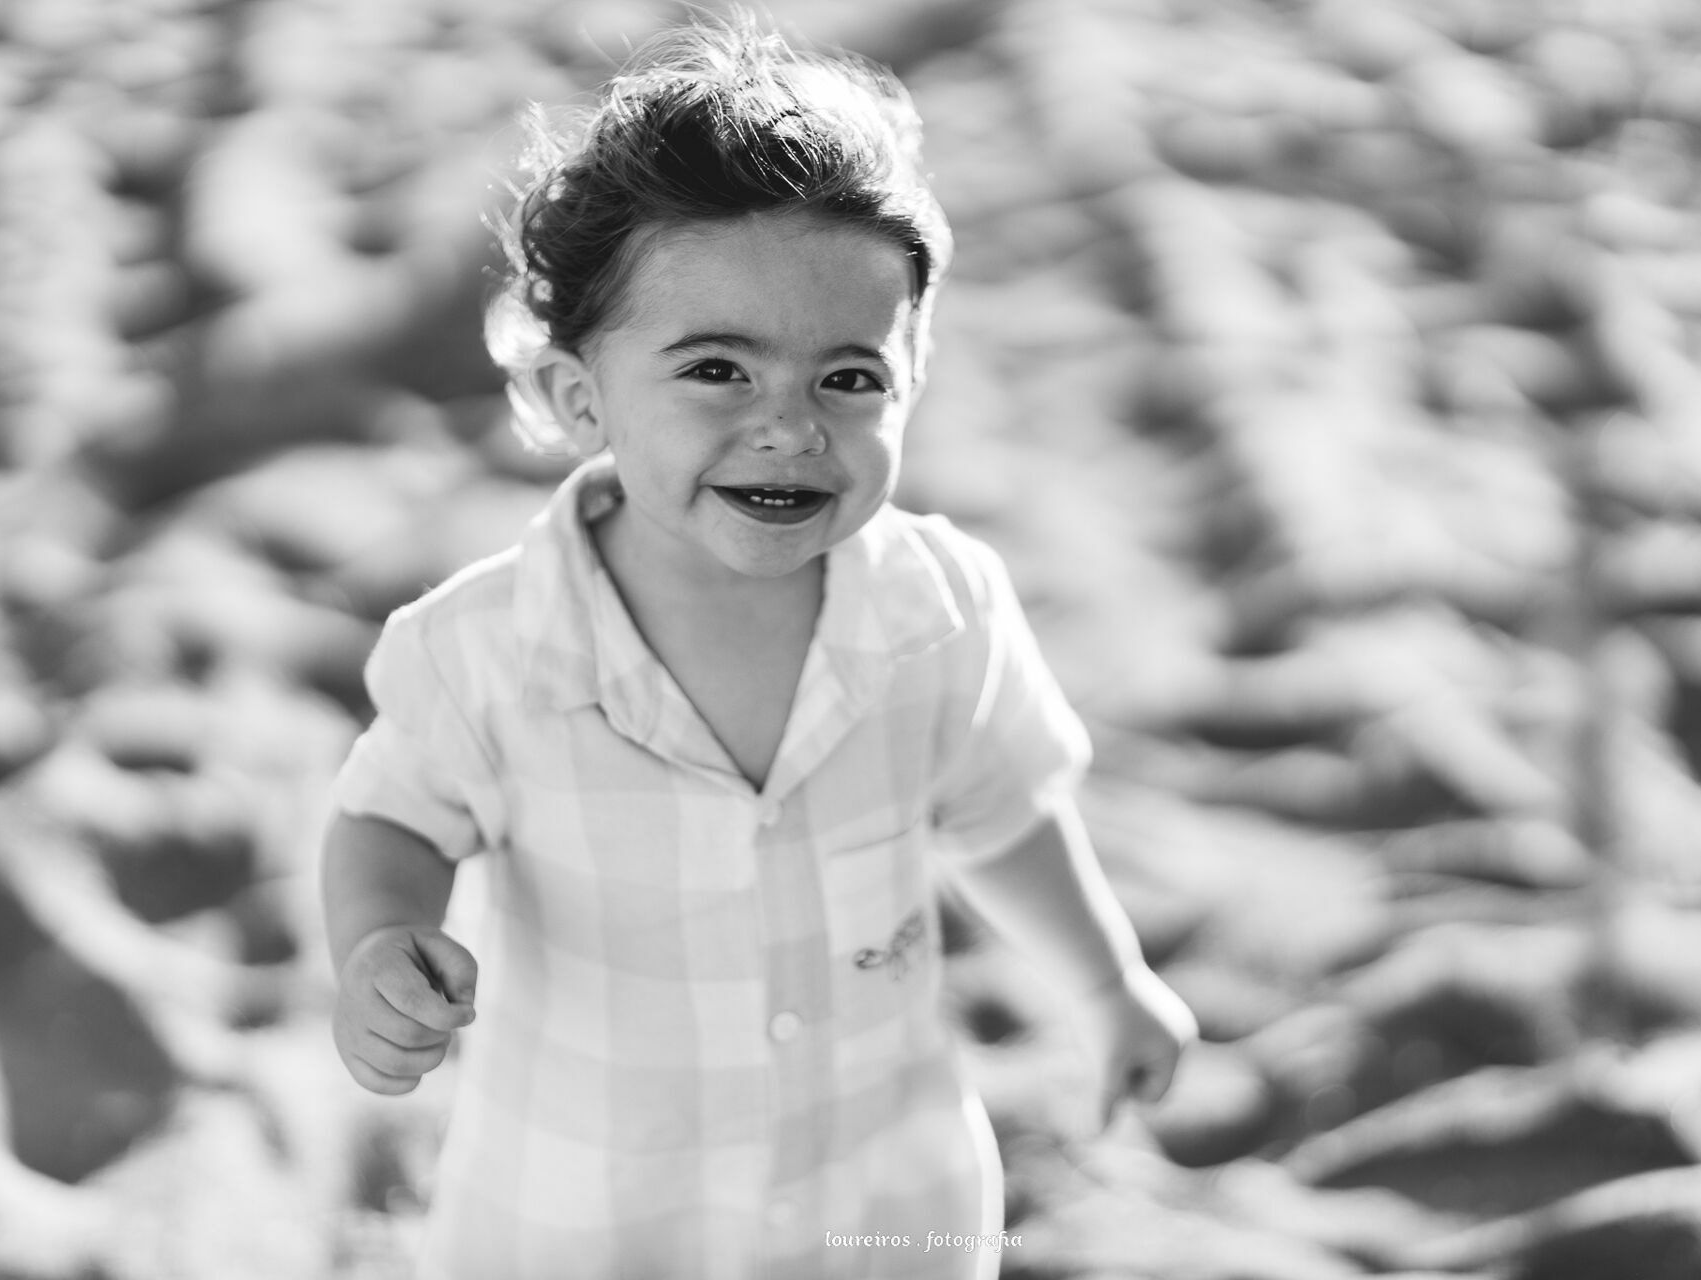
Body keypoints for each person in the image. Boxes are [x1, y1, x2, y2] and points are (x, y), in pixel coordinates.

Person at [320, 13, 1194, 1279]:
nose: (789, 428)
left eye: (850, 378)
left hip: (876, 1195)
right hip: (590, 1209)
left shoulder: (939, 607)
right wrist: (377, 945)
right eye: (717, 369)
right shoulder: (485, 650)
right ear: (582, 398)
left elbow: (1007, 811)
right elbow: (389, 818)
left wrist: (1108, 983)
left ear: (914, 373)